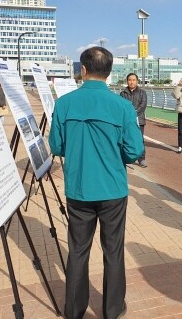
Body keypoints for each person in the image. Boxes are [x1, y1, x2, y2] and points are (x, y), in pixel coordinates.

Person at [48, 47, 144, 319]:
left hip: (78, 189)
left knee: (78, 250)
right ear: (110, 72)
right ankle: (112, 309)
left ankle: (74, 310)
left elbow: (56, 145)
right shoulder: (123, 106)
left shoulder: (64, 103)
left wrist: (78, 150)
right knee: (113, 250)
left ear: (83, 70)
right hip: (113, 188)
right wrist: (115, 156)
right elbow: (134, 150)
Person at [120, 73, 148, 167]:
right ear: (127, 81)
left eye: (133, 80)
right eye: (130, 80)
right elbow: (121, 106)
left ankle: (142, 159)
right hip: (126, 120)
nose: (131, 82)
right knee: (125, 138)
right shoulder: (123, 93)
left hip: (139, 120)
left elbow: (143, 105)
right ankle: (127, 157)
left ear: (137, 81)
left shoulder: (142, 92)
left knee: (140, 139)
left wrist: (133, 114)